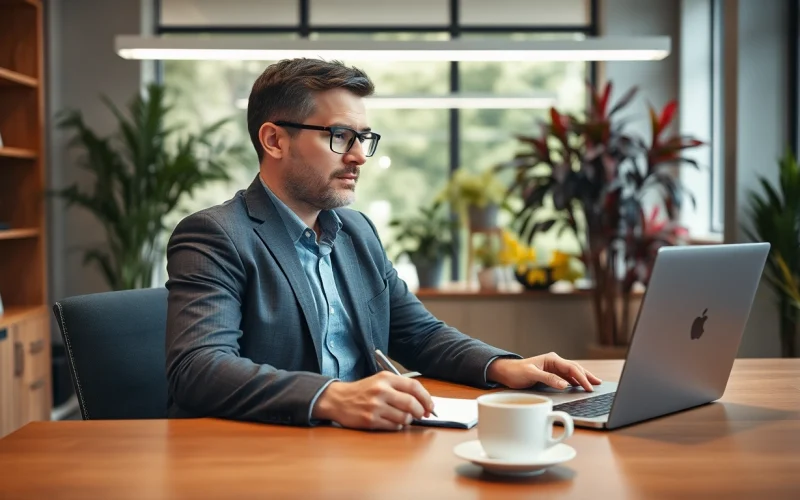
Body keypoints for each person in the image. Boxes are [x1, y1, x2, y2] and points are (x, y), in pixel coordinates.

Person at [165, 58, 602, 431]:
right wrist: (333, 398)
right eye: (339, 136)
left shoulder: (356, 233)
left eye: (363, 138)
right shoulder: (216, 234)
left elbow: (419, 335)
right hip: (265, 453)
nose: (357, 156)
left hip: (362, 445)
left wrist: (503, 366)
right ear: (274, 140)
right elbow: (198, 368)